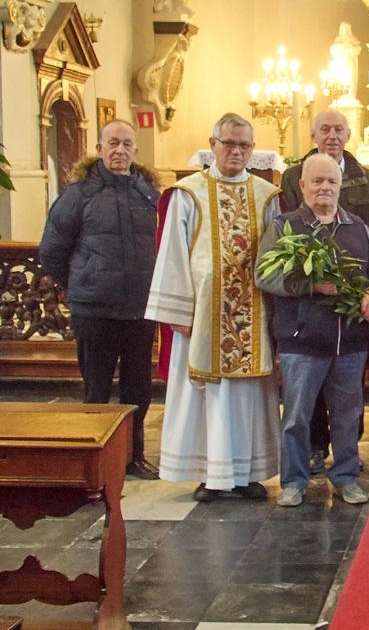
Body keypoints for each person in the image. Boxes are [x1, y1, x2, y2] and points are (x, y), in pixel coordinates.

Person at [145, 113, 281, 502]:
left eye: (244, 146)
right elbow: (172, 251)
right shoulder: (188, 193)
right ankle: (210, 474)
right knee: (209, 395)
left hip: (252, 313)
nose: (237, 152)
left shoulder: (265, 195)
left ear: (253, 150)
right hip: (203, 313)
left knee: (250, 395)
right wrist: (178, 313)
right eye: (229, 144)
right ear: (213, 144)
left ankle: (248, 473)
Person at [257, 154, 369, 507]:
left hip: (349, 342)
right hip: (301, 342)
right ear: (302, 186)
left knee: (348, 416)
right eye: (316, 181)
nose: (324, 188)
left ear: (340, 186)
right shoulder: (285, 227)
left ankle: (346, 478)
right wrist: (311, 284)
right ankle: (294, 481)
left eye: (331, 182)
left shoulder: (357, 227)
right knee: (297, 417)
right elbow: (264, 276)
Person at [39, 119, 160, 480]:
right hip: (95, 309)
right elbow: (52, 250)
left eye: (127, 144)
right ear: (100, 149)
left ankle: (133, 456)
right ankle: (94, 459)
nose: (120, 151)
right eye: (113, 144)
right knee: (96, 387)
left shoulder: (148, 193)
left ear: (135, 151)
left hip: (140, 307)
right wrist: (81, 282)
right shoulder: (79, 195)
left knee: (138, 389)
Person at [280, 109, 369, 474]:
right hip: (305, 321)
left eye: (339, 129)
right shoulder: (291, 183)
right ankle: (306, 461)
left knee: (347, 404)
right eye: (326, 129)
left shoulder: (365, 180)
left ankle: (347, 467)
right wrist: (312, 280)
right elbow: (278, 256)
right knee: (301, 407)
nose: (333, 135)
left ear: (349, 134)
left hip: (350, 313)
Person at [328, 21, 362, 101]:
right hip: (341, 63)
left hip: (349, 62)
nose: (344, 30)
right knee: (339, 81)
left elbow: (357, 50)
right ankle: (340, 97)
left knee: (350, 79)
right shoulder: (338, 39)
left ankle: (350, 96)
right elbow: (333, 50)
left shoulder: (353, 39)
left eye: (346, 28)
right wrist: (343, 48)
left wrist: (349, 49)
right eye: (343, 28)